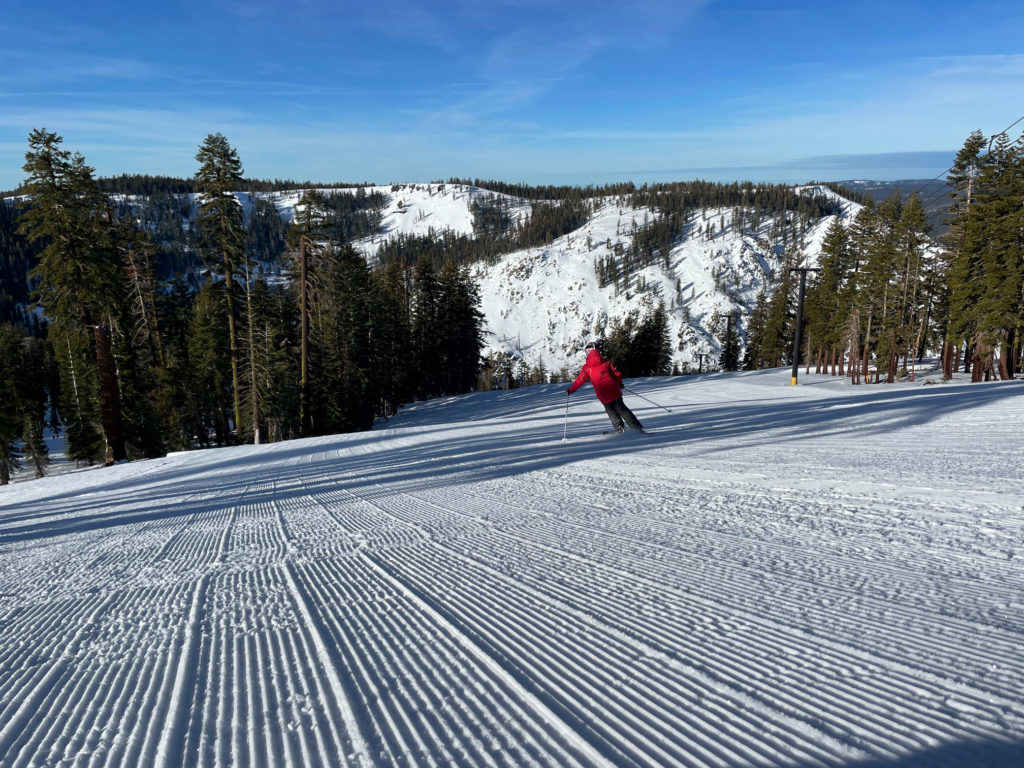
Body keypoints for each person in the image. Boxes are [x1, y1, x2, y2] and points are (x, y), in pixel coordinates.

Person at [566, 341, 645, 434]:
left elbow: (580, 380)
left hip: (603, 394)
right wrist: (619, 384)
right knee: (622, 409)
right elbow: (617, 374)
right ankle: (636, 428)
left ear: (587, 352)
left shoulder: (587, 368)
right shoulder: (607, 363)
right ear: (597, 350)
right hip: (614, 389)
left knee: (610, 411)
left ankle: (620, 430)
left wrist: (571, 390)